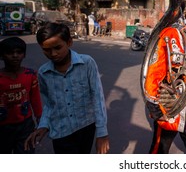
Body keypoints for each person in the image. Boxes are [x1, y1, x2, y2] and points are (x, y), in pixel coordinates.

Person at [24, 22, 110, 154]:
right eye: (46, 50)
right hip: (60, 131)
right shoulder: (43, 73)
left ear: (69, 42)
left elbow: (97, 98)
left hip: (86, 127)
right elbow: (49, 104)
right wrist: (43, 126)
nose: (53, 54)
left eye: (58, 47)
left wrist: (102, 133)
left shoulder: (87, 63)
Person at [143, 3, 186, 154]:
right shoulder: (170, 34)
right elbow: (154, 72)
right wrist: (154, 107)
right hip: (169, 106)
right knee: (159, 150)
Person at [0, 37, 42, 154]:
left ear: (24, 55)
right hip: (3, 127)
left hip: (25, 125)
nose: (15, 55)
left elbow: (35, 99)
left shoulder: (30, 75)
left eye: (19, 52)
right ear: (2, 56)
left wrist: (40, 118)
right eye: (10, 53)